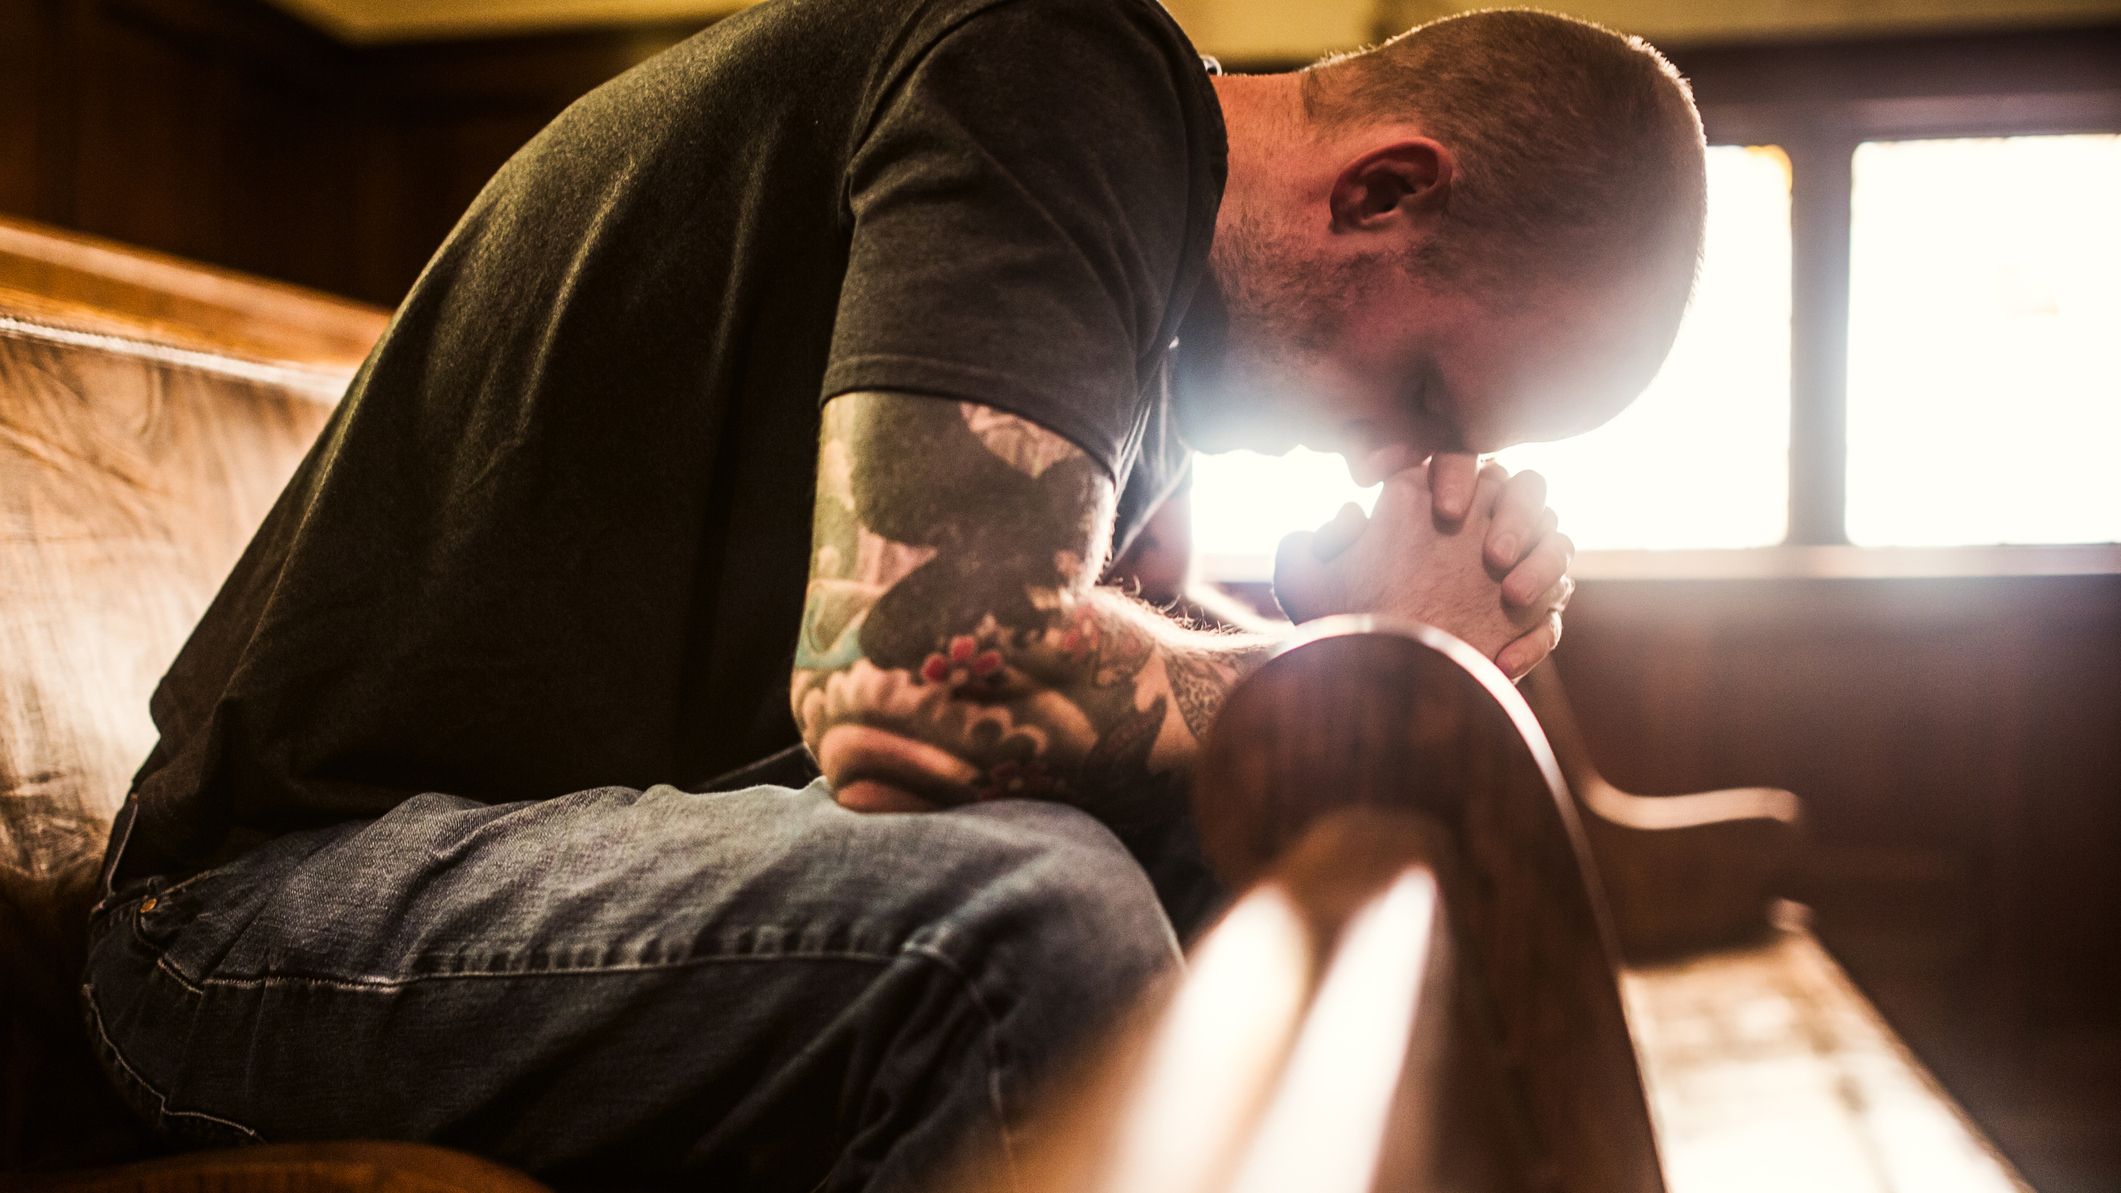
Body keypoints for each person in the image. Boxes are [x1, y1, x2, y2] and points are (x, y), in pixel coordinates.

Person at [80, 1, 1706, 1188]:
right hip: (245, 925)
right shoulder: (1058, 77)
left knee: (1253, 848)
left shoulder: (1137, 305)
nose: (1393, 462)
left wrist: (1313, 639)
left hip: (535, 862)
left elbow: (1030, 678)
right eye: (1423, 400)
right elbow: (922, 673)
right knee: (1027, 926)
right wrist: (1354, 667)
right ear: (1377, 191)